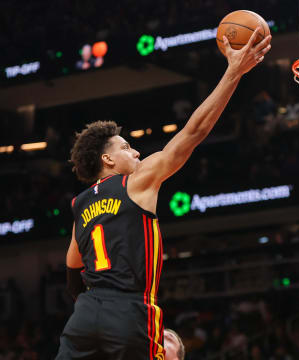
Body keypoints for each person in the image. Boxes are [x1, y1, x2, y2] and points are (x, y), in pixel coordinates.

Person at [56, 28, 272, 360]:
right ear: (108, 159)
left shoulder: (80, 205)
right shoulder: (136, 181)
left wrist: (93, 307)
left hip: (84, 319)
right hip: (128, 311)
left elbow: (72, 272)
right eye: (127, 148)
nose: (137, 153)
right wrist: (233, 72)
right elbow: (194, 131)